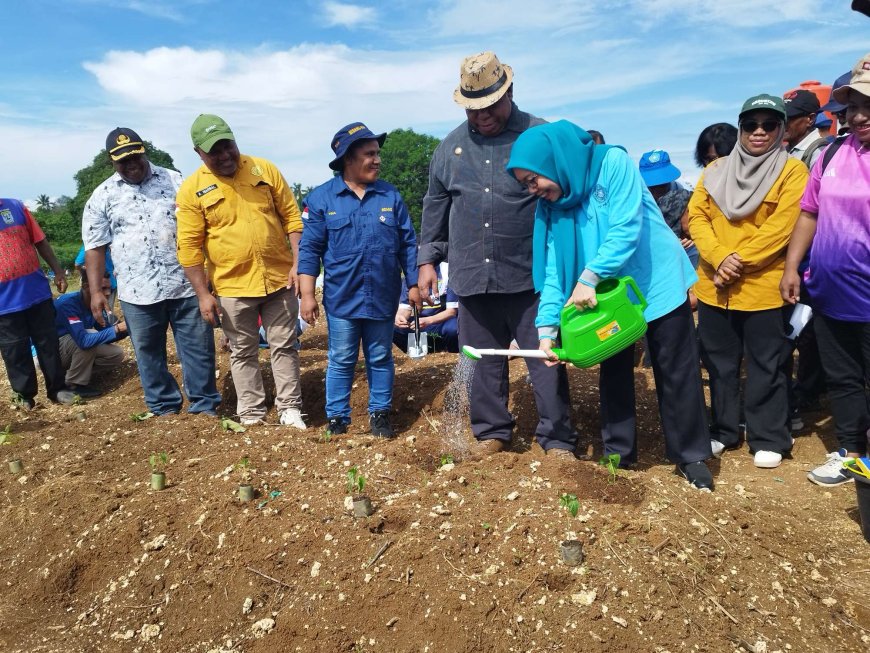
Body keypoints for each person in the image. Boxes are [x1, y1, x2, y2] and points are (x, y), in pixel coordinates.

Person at [507, 120, 714, 490]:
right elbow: (554, 273)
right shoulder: (552, 207)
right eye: (525, 184)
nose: (532, 189)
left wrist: (589, 276)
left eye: (533, 179)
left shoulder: (611, 164)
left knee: (675, 367)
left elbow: (626, 227)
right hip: (606, 295)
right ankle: (619, 454)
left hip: (654, 281)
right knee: (615, 369)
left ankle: (691, 455)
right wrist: (546, 331)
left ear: (551, 160)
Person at [417, 51, 577, 459]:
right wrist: (426, 260)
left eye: (490, 105)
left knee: (544, 361)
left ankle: (556, 437)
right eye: (473, 109)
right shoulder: (449, 148)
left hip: (531, 275)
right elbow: (435, 204)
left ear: (509, 93)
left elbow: (572, 194)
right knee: (483, 364)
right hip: (473, 275)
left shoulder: (539, 137)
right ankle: (492, 431)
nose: (482, 116)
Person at [688, 94, 808, 469]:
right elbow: (697, 217)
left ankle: (768, 435)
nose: (759, 132)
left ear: (781, 130)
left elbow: (782, 227)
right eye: (751, 124)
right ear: (740, 128)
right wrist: (719, 258)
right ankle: (724, 430)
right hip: (715, 285)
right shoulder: (715, 170)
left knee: (766, 364)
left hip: (761, 286)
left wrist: (736, 261)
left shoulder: (791, 172)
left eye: (769, 125)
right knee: (720, 363)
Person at [176, 115, 305, 429]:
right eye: (214, 151)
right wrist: (203, 295)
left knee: (284, 345)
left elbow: (292, 218)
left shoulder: (264, 170)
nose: (224, 155)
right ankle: (251, 414)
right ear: (198, 153)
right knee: (242, 351)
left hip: (278, 278)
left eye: (227, 146)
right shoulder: (192, 190)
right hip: (232, 287)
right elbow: (189, 247)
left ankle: (290, 409)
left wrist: (299, 264)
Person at [84, 127, 221, 417]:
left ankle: (205, 405)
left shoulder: (176, 181)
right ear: (112, 161)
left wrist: (211, 276)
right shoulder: (102, 196)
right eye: (123, 161)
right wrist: (96, 292)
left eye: (135, 156)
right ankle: (164, 408)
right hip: (138, 291)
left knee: (198, 348)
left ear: (144, 152)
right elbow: (95, 247)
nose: (131, 164)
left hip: (185, 284)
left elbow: (204, 227)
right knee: (148, 354)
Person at [780, 52, 870, 486]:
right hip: (831, 293)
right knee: (844, 379)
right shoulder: (832, 155)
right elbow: (809, 214)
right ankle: (852, 453)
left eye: (868, 106)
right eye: (852, 107)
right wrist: (793, 267)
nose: (858, 116)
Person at [298, 123, 420, 437]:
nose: (377, 160)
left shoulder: (390, 194)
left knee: (380, 356)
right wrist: (308, 295)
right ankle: (337, 419)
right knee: (341, 357)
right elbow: (310, 249)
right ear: (348, 159)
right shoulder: (322, 199)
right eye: (369, 154)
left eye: (377, 153)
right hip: (342, 297)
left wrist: (415, 286)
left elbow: (408, 243)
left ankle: (380, 414)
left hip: (382, 295)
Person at [0, 197, 75, 408]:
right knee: (14, 350)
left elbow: (40, 240)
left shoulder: (15, 207)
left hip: (36, 292)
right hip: (3, 303)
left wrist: (58, 271)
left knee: (48, 343)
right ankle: (24, 395)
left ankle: (58, 389)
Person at [54, 270, 127, 397]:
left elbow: (105, 333)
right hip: (51, 352)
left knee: (116, 354)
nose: (108, 293)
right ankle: (73, 385)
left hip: (69, 348)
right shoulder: (67, 304)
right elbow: (83, 341)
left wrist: (128, 328)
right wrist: (118, 328)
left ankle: (75, 374)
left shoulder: (94, 304)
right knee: (88, 338)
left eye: (109, 288)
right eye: (103, 288)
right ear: (86, 286)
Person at [638, 149, 699, 269]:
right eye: (652, 186)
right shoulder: (636, 197)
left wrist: (691, 239)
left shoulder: (684, 192)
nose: (657, 190)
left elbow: (692, 226)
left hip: (683, 253)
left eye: (662, 185)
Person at [393, 262, 459, 354]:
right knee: (394, 327)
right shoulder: (411, 275)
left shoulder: (448, 270)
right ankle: (419, 351)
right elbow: (405, 308)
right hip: (419, 323)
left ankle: (450, 349)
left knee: (453, 329)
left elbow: (451, 312)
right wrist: (400, 317)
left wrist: (428, 320)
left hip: (443, 321)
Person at [783, 89, 827, 168]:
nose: (782, 123)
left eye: (789, 118)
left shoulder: (819, 153)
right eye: (780, 118)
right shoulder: (786, 148)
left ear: (810, 119)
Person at [75, 244, 116, 314]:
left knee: (96, 309)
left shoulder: (90, 245)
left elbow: (77, 264)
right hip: (112, 282)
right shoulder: (112, 245)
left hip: (98, 283)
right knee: (108, 310)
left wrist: (87, 273)